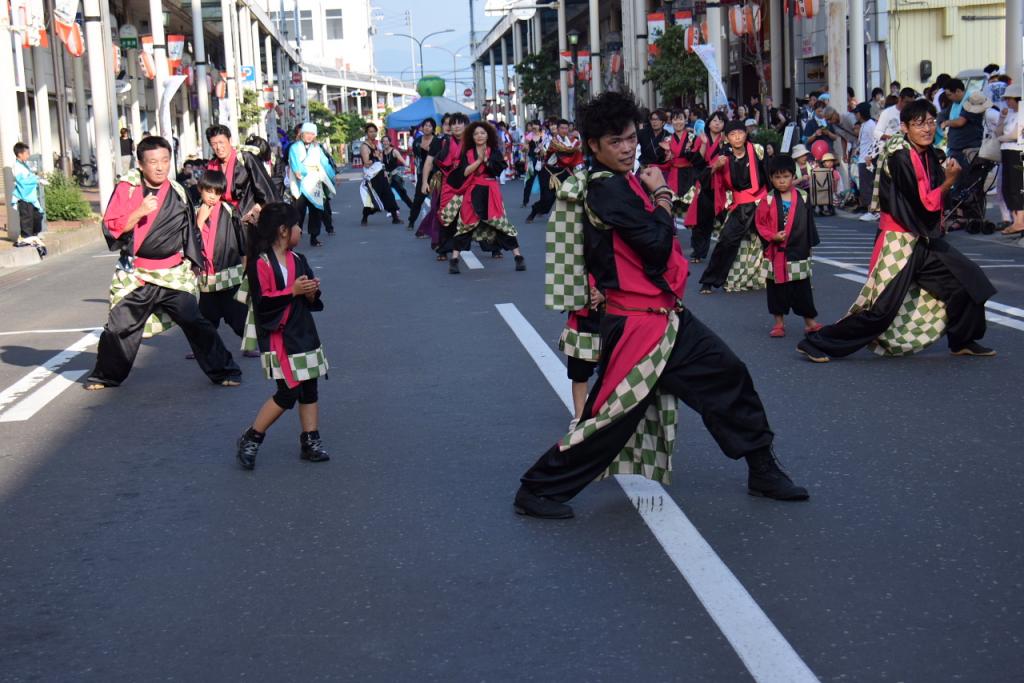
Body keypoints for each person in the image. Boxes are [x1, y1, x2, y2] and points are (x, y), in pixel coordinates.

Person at [515, 91, 808, 520]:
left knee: (728, 375)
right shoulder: (606, 189)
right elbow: (654, 245)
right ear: (593, 145)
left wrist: (653, 193)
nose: (627, 146)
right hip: (637, 325)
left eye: (631, 137)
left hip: (663, 317)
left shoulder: (623, 180)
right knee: (610, 418)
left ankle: (762, 468)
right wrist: (664, 194)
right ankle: (537, 488)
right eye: (615, 140)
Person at [797, 100, 998, 363]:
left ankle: (962, 339)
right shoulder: (900, 156)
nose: (927, 128)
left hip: (923, 237)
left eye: (930, 122)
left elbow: (933, 202)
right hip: (899, 240)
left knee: (969, 280)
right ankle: (817, 343)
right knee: (881, 311)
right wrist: (949, 181)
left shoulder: (925, 152)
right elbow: (923, 202)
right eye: (919, 123)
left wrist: (949, 182)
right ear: (904, 127)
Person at [84, 136, 242, 390]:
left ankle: (225, 370)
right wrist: (139, 212)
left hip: (172, 273)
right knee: (118, 327)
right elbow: (113, 229)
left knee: (196, 321)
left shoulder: (178, 191)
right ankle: (106, 375)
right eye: (153, 162)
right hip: (137, 274)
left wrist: (193, 263)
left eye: (165, 160)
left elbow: (189, 230)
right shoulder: (128, 188)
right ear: (141, 163)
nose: (160, 167)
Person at [234, 202, 330, 470]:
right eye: (298, 225)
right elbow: (262, 303)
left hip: (303, 331)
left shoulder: (299, 260)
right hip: (279, 337)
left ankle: (310, 440)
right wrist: (293, 292)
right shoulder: (260, 264)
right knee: (287, 393)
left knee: (309, 386)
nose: (301, 229)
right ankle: (252, 437)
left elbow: (311, 300)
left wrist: (311, 292)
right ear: (284, 230)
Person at [698, 119, 768, 295]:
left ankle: (790, 278)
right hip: (741, 206)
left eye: (740, 133)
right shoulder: (723, 158)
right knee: (726, 241)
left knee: (773, 239)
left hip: (761, 202)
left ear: (746, 134)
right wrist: (715, 167)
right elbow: (704, 180)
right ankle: (709, 281)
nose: (737, 137)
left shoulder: (758, 150)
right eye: (732, 135)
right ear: (727, 138)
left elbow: (770, 174)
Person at [446, 121, 526, 274]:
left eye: (482, 133)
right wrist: (478, 161)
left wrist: (486, 160)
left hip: (490, 191)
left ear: (488, 135)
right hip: (473, 191)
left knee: (501, 224)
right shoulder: (468, 153)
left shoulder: (494, 151)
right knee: (465, 225)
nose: (479, 136)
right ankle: (454, 260)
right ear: (472, 136)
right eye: (476, 134)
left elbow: (496, 170)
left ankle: (518, 257)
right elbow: (464, 172)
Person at [755, 154, 822, 338]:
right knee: (776, 289)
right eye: (777, 177)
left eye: (785, 177)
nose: (782, 181)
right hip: (776, 251)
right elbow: (760, 223)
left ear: (793, 176)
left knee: (802, 287)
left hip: (798, 249)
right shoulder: (767, 200)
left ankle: (810, 322)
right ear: (771, 178)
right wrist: (772, 236)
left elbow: (809, 223)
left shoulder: (803, 196)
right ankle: (779, 323)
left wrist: (809, 246)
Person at [192, 169, 256, 357]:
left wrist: (245, 263)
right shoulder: (195, 212)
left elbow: (241, 239)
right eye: (208, 191)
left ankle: (249, 345)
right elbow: (190, 241)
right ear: (200, 189)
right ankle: (201, 348)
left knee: (237, 314)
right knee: (205, 317)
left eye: (217, 192)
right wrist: (200, 221)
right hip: (207, 276)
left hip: (229, 273)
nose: (212, 196)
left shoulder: (229, 210)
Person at [205, 125, 278, 226]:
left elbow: (264, 187)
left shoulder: (245, 158)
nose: (218, 147)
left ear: (229, 140)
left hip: (248, 216)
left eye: (221, 142)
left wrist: (258, 207)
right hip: (223, 219)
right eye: (214, 144)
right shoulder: (212, 165)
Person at [684, 111, 727, 263]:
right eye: (714, 120)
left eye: (720, 121)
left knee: (724, 217)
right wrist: (702, 144)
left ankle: (729, 251)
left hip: (722, 183)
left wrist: (722, 145)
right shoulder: (701, 138)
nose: (717, 123)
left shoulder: (726, 139)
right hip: (704, 181)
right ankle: (698, 252)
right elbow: (697, 162)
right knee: (701, 220)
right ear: (709, 123)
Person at [527, 119, 583, 223]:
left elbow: (575, 155)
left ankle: (566, 218)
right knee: (547, 198)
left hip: (563, 172)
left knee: (566, 195)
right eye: (562, 128)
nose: (564, 130)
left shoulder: (571, 141)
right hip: (548, 172)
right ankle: (534, 211)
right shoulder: (552, 141)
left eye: (566, 128)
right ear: (557, 129)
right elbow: (563, 152)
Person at [290, 122, 338, 243]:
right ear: (302, 134)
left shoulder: (317, 148)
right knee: (298, 212)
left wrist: (331, 175)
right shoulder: (295, 147)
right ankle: (295, 235)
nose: (310, 136)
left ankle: (314, 236)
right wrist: (298, 171)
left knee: (316, 210)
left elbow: (324, 162)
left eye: (312, 134)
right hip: (301, 182)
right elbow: (294, 161)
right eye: (307, 133)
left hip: (315, 181)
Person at [433, 113, 469, 258]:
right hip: (450, 185)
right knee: (447, 217)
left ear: (466, 126)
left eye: (459, 123)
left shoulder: (474, 140)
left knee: (482, 215)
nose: (455, 126)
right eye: (452, 124)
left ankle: (494, 247)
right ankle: (444, 249)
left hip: (470, 183)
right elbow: (437, 161)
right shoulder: (445, 142)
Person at [357, 122, 399, 226]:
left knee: (389, 195)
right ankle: (365, 217)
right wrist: (375, 157)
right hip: (372, 177)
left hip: (380, 174)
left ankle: (395, 217)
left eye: (374, 131)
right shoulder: (364, 146)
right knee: (373, 200)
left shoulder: (376, 145)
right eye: (370, 132)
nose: (373, 134)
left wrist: (384, 170)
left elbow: (380, 160)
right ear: (366, 133)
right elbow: (366, 163)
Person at [996, 84, 1024, 236]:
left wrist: (1001, 138)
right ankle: (1015, 220)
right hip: (1006, 151)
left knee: (1016, 186)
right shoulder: (1010, 114)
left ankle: (1020, 221)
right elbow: (998, 131)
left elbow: (1015, 135)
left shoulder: (1022, 113)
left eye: (1009, 98)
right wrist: (1001, 118)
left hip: (1017, 151)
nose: (1007, 102)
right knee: (1006, 187)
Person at [407, 116, 441, 231]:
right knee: (418, 199)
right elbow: (416, 157)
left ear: (433, 128)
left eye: (430, 126)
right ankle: (411, 221)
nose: (427, 128)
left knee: (437, 199)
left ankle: (438, 224)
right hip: (423, 172)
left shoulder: (437, 141)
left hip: (436, 173)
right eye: (425, 125)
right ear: (422, 127)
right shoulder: (417, 141)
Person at [11, 142, 44, 250]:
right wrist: (36, 179)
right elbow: (23, 181)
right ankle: (26, 238)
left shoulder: (24, 165)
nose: (28, 155)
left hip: (31, 197)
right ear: (20, 154)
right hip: (23, 197)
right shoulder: (16, 166)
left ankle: (33, 236)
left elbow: (29, 177)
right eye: (26, 153)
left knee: (37, 215)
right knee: (27, 219)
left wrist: (37, 178)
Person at [853, 102, 877, 213]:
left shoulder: (871, 125)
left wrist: (871, 157)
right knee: (863, 186)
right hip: (861, 159)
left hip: (867, 160)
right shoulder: (863, 125)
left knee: (867, 186)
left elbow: (876, 142)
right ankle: (869, 209)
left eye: (857, 112)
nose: (856, 115)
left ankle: (871, 211)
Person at [381, 135, 414, 210]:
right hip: (387, 176)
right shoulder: (382, 153)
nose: (385, 142)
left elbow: (402, 160)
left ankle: (412, 206)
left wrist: (407, 166)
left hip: (395, 175)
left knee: (401, 193)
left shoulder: (394, 151)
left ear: (389, 142)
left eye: (387, 141)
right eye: (383, 141)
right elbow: (381, 164)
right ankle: (393, 208)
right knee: (386, 193)